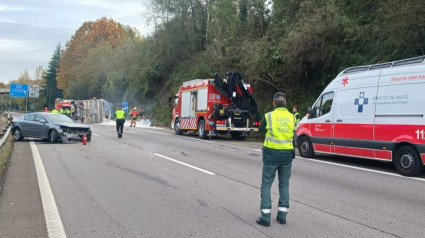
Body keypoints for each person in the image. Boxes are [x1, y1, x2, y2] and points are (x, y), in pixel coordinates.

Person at [256, 92, 295, 227]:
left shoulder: (269, 116)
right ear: (285, 104)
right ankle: (282, 216)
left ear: (274, 103)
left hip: (271, 155)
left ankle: (265, 217)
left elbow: (261, 130)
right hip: (287, 156)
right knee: (284, 184)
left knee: (267, 184)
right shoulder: (292, 117)